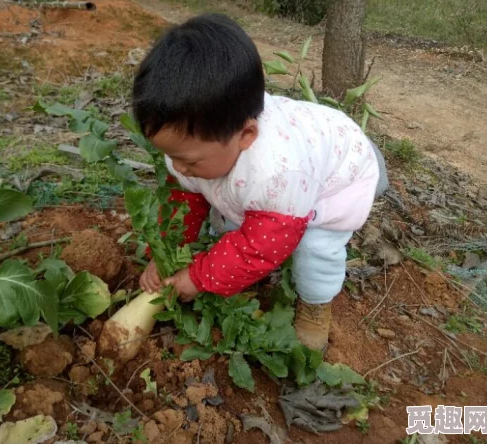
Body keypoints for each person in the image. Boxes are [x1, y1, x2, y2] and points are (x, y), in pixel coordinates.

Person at [133, 13, 388, 351]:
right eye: (171, 157)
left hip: (341, 173)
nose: (179, 168)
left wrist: (199, 277)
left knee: (315, 247)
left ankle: (315, 306)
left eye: (189, 161)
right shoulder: (195, 148)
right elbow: (182, 203)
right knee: (230, 218)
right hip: (308, 145)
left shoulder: (276, 174)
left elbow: (262, 245)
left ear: (246, 135)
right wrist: (161, 257)